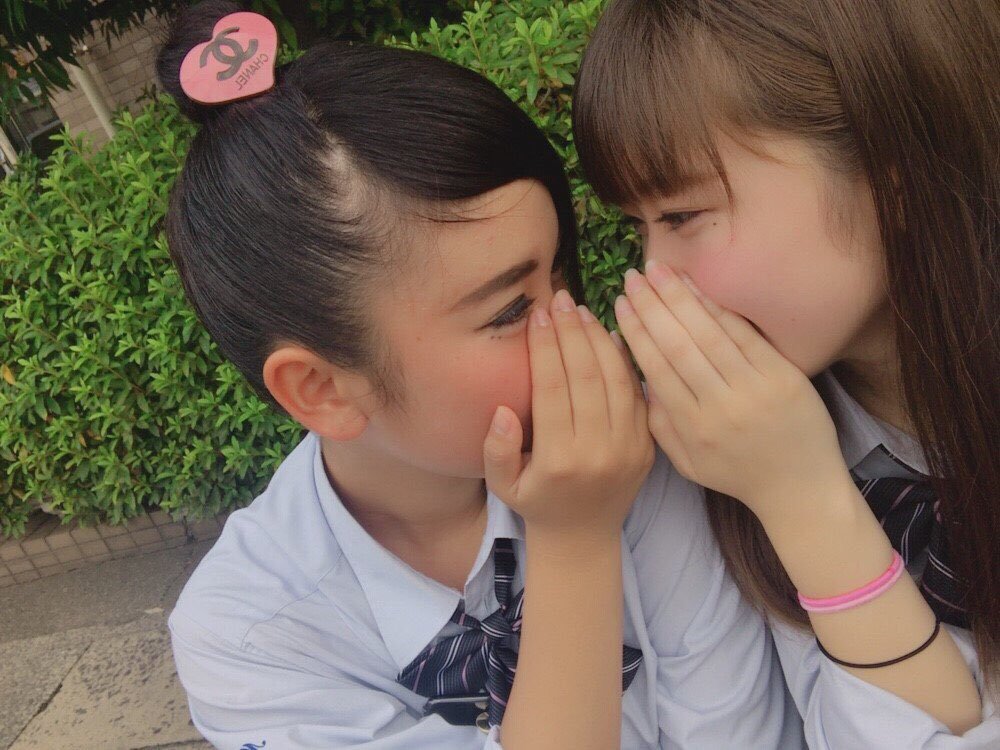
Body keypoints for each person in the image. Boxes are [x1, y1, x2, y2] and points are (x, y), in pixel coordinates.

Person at [158, 2, 802, 748]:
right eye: (509, 311)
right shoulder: (250, 636)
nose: (579, 329)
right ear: (322, 389)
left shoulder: (628, 458)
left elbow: (740, 732)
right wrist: (575, 539)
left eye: (559, 275)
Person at [572, 0, 999, 747]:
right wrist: (799, 498)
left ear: (892, 180)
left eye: (683, 216)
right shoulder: (739, 439)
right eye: (638, 228)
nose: (654, 278)